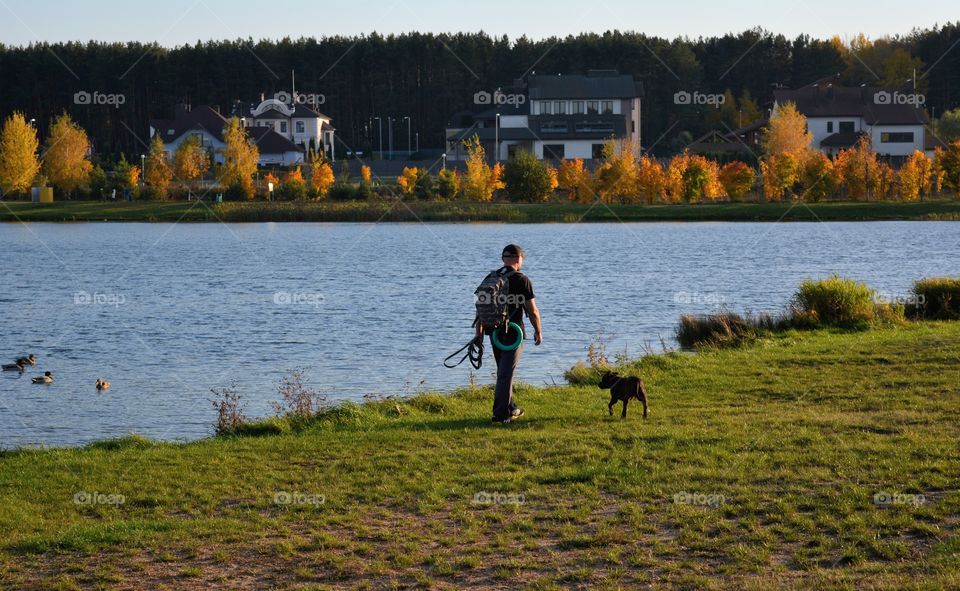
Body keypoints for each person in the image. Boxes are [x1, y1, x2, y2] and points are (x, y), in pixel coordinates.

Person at [476, 244, 542, 423]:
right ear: (519, 259)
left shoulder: (491, 277)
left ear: (503, 258)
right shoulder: (522, 279)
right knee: (506, 374)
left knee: (503, 371)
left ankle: (511, 408)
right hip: (514, 332)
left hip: (494, 332)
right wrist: (538, 330)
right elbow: (533, 311)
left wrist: (478, 333)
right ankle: (500, 416)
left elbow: (480, 309)